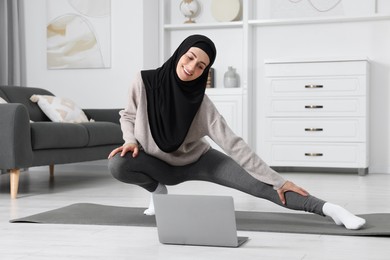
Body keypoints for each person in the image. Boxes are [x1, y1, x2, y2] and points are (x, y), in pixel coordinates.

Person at [108, 34, 366, 230]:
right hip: (157, 164)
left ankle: (331, 210)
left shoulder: (201, 104)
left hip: (197, 161)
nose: (191, 67)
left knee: (261, 185)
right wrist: (130, 140)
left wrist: (278, 180)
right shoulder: (145, 81)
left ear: (204, 72)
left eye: (201, 66)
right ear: (179, 54)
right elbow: (128, 115)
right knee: (118, 165)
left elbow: (233, 143)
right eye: (190, 58)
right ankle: (157, 191)